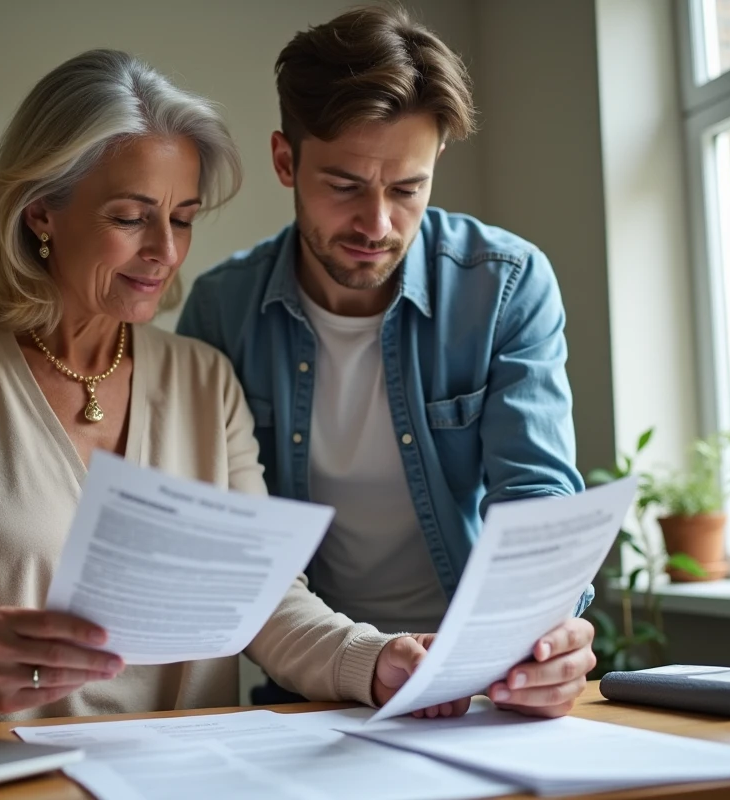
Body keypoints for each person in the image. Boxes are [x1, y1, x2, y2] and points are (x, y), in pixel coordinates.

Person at [0, 48, 461, 727]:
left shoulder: (205, 380)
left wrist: (379, 660)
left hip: (168, 776)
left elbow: (265, 601)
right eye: (129, 217)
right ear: (40, 213)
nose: (165, 252)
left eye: (181, 218)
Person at [178, 6, 597, 718]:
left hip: (487, 673)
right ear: (286, 160)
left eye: (408, 189)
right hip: (314, 681)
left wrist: (546, 634)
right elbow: (224, 544)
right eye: (344, 186)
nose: (377, 225)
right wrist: (357, 660)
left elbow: (537, 496)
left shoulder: (506, 285)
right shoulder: (221, 312)